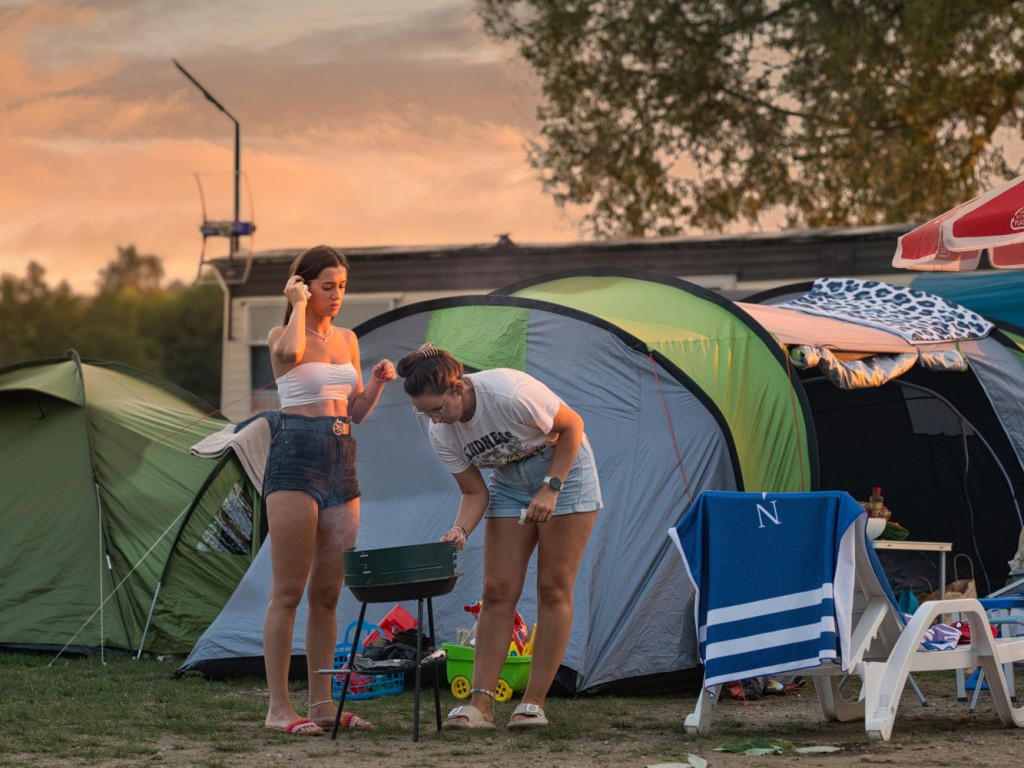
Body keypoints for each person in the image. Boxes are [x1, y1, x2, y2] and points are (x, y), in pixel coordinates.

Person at [395, 344, 601, 729]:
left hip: (564, 472)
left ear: (457, 388)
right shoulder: (441, 431)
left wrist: (551, 487)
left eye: (437, 410)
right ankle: (480, 705)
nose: (435, 421)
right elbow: (475, 493)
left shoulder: (509, 391)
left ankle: (533, 704)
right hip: (507, 482)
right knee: (496, 589)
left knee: (553, 587)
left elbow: (572, 426)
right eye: (424, 413)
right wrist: (459, 530)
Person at [262, 245, 396, 736]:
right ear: (302, 285)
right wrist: (297, 304)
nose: (337, 295)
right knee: (289, 591)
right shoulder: (284, 331)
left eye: (342, 286)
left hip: (342, 457)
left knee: (328, 593)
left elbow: (355, 409)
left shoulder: (349, 339)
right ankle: (279, 708)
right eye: (326, 286)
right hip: (296, 455)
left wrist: (378, 383)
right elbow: (288, 356)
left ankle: (321, 704)